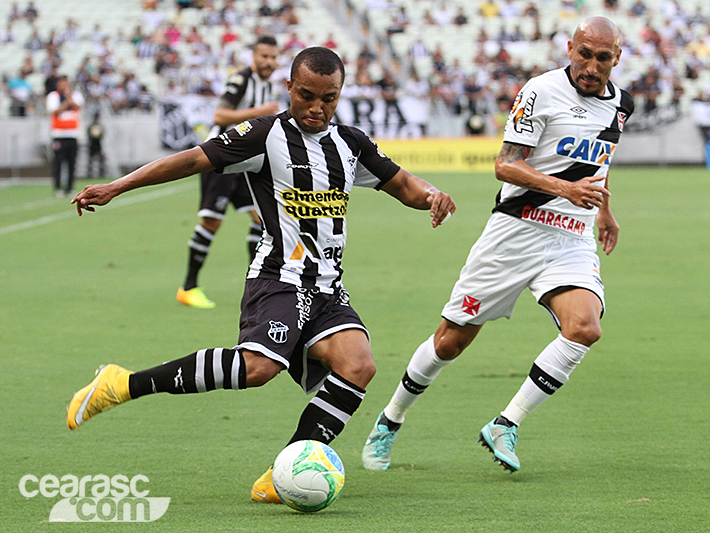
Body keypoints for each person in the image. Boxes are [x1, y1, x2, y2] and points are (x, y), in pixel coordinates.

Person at [67, 47, 456, 504]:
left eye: (328, 98)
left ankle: (284, 472)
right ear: (288, 88)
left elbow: (406, 186)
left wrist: (433, 195)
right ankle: (121, 384)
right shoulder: (264, 135)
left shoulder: (352, 144)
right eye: (306, 95)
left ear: (340, 94)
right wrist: (118, 185)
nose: (316, 108)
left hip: (328, 284)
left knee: (359, 365)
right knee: (258, 368)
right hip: (277, 277)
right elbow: (193, 159)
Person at [362, 16, 633, 473]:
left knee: (584, 327)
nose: (591, 65)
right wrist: (564, 190)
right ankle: (390, 419)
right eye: (584, 54)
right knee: (450, 342)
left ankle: (506, 423)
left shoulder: (621, 105)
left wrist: (603, 208)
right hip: (515, 232)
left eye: (602, 58)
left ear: (616, 59)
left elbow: (599, 161)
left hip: (571, 237)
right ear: (570, 48)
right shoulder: (540, 91)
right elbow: (505, 166)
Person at [177, 35, 282, 309]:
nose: (269, 62)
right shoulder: (242, 80)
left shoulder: (267, 84)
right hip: (221, 160)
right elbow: (220, 116)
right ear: (253, 57)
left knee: (261, 219)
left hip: (244, 163)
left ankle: (259, 286)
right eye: (264, 57)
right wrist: (261, 112)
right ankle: (188, 287)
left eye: (273, 57)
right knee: (212, 222)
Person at [47, 75, 84, 197]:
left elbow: (78, 106)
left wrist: (69, 97)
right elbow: (54, 111)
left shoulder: (76, 95)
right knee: (58, 162)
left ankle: (70, 187)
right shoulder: (53, 96)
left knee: (71, 162)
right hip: (58, 134)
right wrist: (65, 102)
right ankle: (58, 187)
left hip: (72, 134)